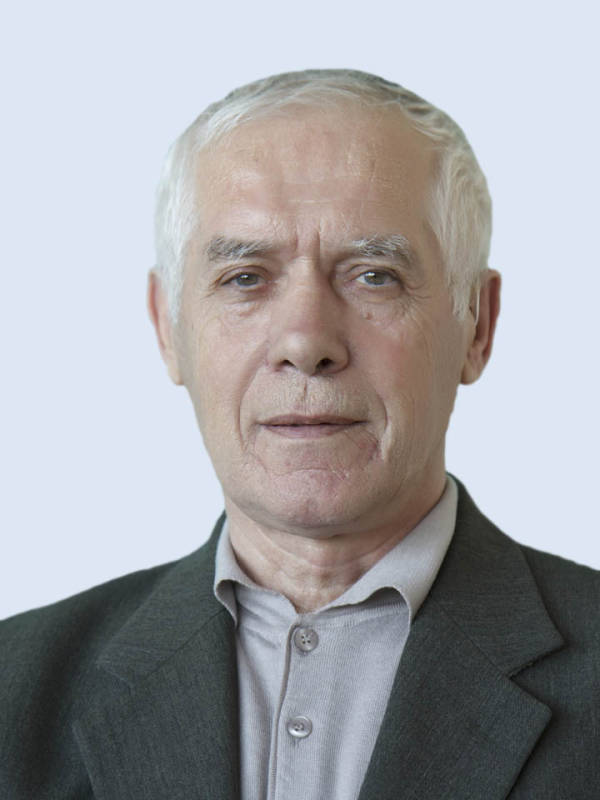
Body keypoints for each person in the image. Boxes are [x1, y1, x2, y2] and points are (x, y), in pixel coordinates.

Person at [1, 69, 598, 800]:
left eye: (374, 275)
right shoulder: (12, 688)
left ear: (478, 324)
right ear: (167, 327)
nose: (307, 341)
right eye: (245, 278)